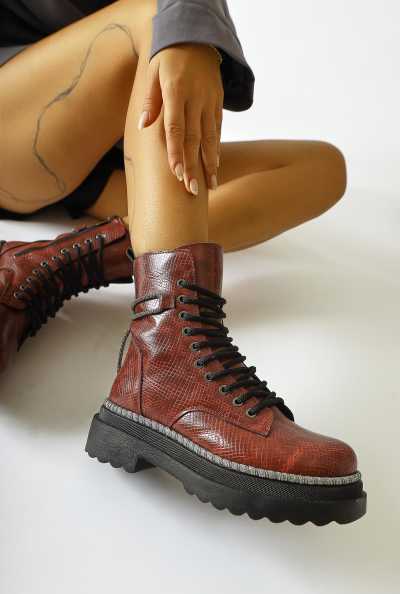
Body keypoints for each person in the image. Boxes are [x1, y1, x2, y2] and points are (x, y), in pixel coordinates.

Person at [0, 0, 366, 524]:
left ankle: (49, 262)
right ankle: (168, 350)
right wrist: (186, 33)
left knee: (321, 168)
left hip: (98, 144)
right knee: (161, 19)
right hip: (16, 122)